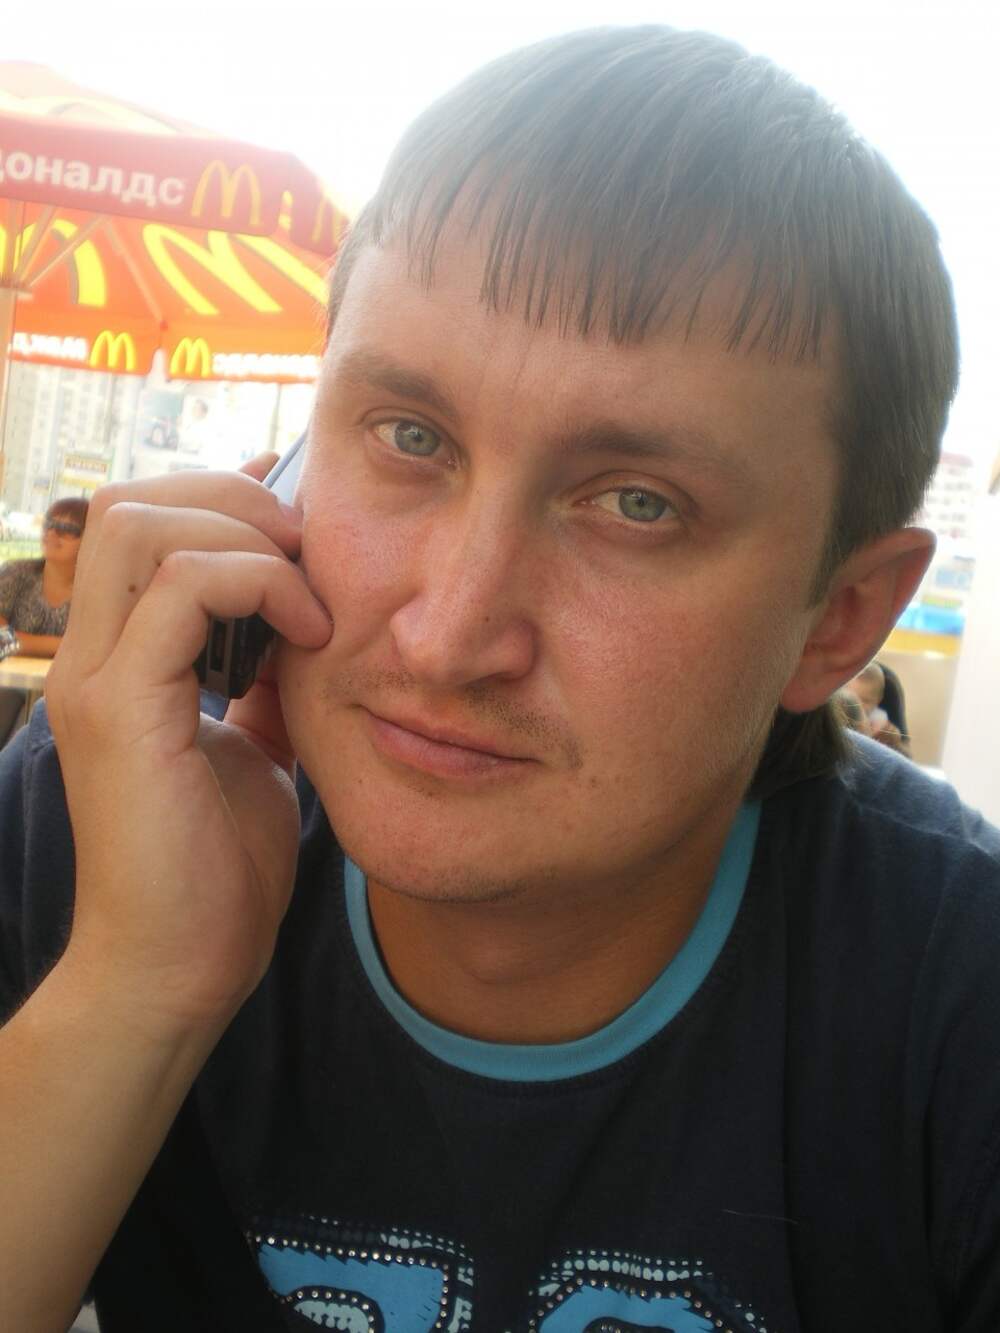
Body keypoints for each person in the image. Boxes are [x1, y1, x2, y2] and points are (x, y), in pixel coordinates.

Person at [1, 26, 998, 1333]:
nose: (447, 636)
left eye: (637, 502)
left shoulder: (955, 990)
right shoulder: (105, 811)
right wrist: (133, 988)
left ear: (842, 617)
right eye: (409, 435)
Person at [0, 497, 88, 745]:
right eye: (49, 523)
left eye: (68, 529)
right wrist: (64, 645)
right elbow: (1, 640)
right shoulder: (18, 572)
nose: (52, 532)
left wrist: (22, 641)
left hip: (67, 696)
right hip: (8, 684)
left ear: (91, 540)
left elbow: (94, 649)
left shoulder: (96, 591)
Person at [844, 660, 911, 755]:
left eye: (866, 701)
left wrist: (894, 742)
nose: (858, 705)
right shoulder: (840, 711)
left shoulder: (880, 720)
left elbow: (905, 755)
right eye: (853, 698)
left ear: (878, 701)